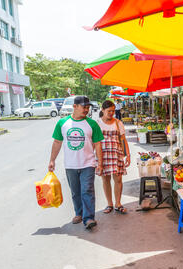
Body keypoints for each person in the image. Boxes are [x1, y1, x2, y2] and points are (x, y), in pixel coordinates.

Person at [48, 96, 104, 230]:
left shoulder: (92, 124)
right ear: (75, 106)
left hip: (88, 164)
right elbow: (57, 142)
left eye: (88, 107)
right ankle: (79, 213)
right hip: (70, 164)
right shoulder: (62, 123)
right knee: (75, 192)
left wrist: (100, 163)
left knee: (87, 190)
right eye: (84, 107)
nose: (86, 109)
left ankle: (89, 217)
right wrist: (52, 160)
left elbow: (97, 144)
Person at [97, 100, 131, 214]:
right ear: (103, 110)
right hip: (103, 155)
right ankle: (109, 204)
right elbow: (94, 142)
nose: (111, 113)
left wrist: (128, 155)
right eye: (109, 111)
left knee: (118, 179)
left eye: (113, 111)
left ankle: (118, 203)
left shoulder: (118, 123)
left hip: (117, 154)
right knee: (105, 179)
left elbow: (123, 139)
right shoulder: (97, 123)